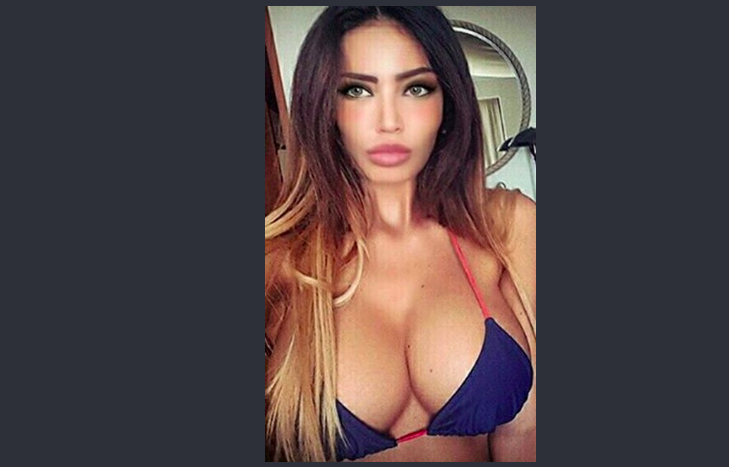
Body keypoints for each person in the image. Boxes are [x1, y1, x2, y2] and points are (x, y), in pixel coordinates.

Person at [265, 6, 536, 462]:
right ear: (325, 109)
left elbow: (526, 429)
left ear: (447, 101)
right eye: (357, 90)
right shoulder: (278, 258)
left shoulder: (510, 226)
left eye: (415, 88)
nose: (388, 121)